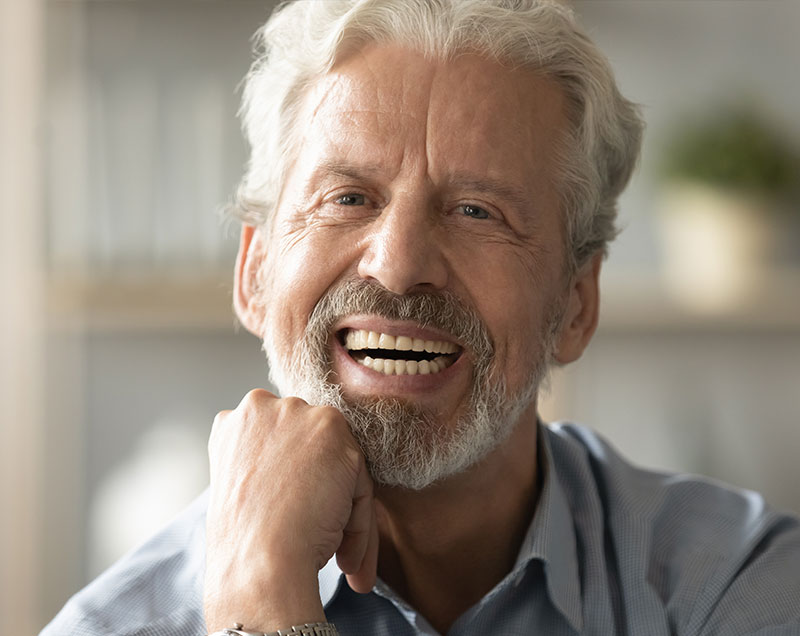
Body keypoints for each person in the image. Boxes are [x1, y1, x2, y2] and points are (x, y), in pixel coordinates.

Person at [42, 1, 800, 635]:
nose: (399, 264)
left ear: (576, 303)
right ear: (255, 273)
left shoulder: (738, 585)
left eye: (477, 210)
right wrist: (257, 587)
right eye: (348, 198)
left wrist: (265, 611)